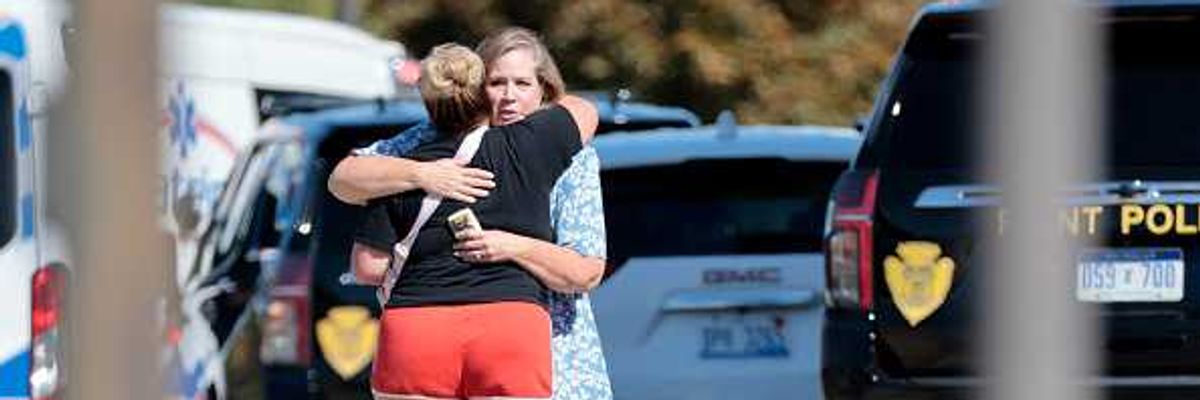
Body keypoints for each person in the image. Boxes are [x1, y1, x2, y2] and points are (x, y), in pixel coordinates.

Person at [330, 27, 613, 400]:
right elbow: (343, 177)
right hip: (485, 350)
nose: (510, 96)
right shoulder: (423, 140)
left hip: (558, 363)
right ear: (476, 87)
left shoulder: (572, 159)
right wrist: (425, 174)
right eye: (497, 82)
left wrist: (512, 246)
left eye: (523, 83)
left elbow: (586, 271)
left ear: (544, 89)